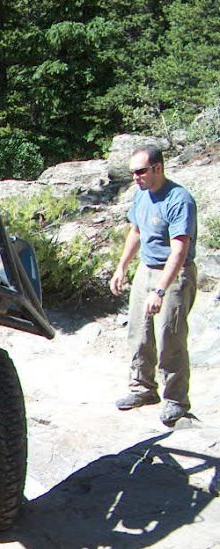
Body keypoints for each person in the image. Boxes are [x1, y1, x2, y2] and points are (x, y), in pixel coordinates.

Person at [109, 145, 198, 427]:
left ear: (158, 168)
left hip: (173, 274)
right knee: (139, 333)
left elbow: (179, 250)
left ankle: (176, 400)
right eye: (132, 172)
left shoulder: (178, 199)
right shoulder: (141, 195)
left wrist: (160, 289)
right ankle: (143, 388)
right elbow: (136, 232)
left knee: (170, 337)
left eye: (140, 171)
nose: (135, 177)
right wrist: (122, 266)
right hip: (146, 270)